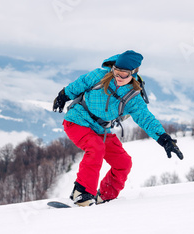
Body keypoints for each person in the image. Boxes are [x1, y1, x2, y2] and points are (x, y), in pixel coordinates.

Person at [53, 50, 183, 206]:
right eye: (117, 72)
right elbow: (78, 85)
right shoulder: (99, 76)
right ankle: (81, 194)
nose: (119, 78)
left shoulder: (133, 97)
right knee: (96, 147)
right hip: (77, 120)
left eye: (124, 75)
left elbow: (146, 119)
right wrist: (63, 95)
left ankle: (104, 197)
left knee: (123, 162)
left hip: (100, 130)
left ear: (134, 73)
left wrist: (164, 139)